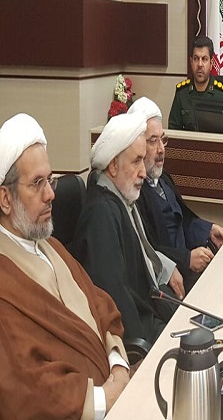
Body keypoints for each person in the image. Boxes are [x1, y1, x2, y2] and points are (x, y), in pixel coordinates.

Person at [0, 113, 130, 419]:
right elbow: (26, 387)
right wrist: (106, 398)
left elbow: (102, 308)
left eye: (51, 180)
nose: (51, 194)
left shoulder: (52, 247)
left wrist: (119, 367)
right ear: (5, 199)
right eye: (37, 183)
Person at [71, 113, 185, 345]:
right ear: (113, 165)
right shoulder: (101, 215)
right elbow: (117, 301)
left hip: (153, 317)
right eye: (136, 161)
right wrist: (141, 352)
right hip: (141, 339)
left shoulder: (122, 200)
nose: (143, 171)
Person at [129, 97, 223, 292]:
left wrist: (208, 230)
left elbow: (182, 221)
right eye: (153, 141)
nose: (161, 149)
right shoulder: (135, 193)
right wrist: (186, 259)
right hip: (170, 283)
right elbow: (147, 248)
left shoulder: (163, 178)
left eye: (163, 139)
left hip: (188, 272)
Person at [168, 35, 223, 131]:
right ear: (191, 62)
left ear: (211, 63)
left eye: (204, 59)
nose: (199, 64)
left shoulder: (222, 96)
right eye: (196, 59)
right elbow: (173, 132)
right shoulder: (182, 94)